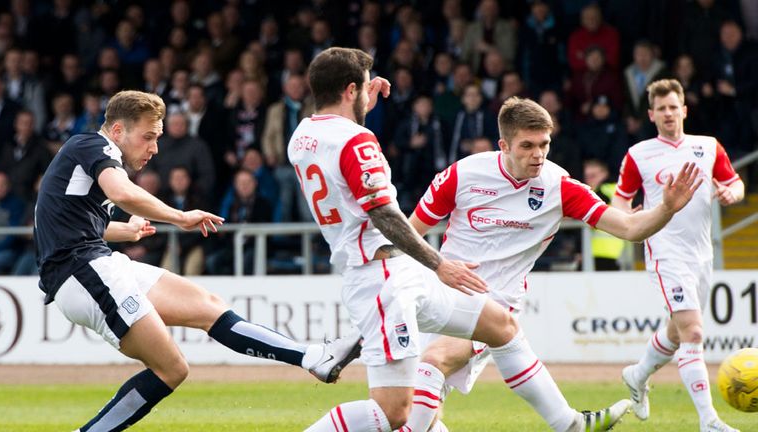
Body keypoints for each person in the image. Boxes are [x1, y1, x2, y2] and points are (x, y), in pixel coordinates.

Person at [291, 47, 590, 432]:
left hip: (390, 273)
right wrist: (439, 263)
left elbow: (340, 149)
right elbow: (382, 212)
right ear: (351, 90)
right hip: (382, 275)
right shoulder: (359, 142)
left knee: (500, 324)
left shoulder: (302, 136)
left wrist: (360, 99)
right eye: (365, 88)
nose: (371, 92)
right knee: (393, 413)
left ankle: (570, 424)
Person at [33, 90, 362, 432]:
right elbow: (122, 193)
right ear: (117, 131)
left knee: (208, 306)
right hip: (83, 273)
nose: (154, 148)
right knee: (172, 368)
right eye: (148, 137)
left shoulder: (85, 160)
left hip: (96, 264)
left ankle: (313, 357)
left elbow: (70, 223)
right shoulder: (93, 146)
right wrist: (178, 217)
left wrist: (124, 231)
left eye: (157, 138)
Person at [400, 96, 704, 432]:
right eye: (527, 146)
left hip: (495, 304)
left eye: (544, 144)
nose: (538, 154)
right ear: (503, 145)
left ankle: (570, 424)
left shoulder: (560, 187)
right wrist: (436, 267)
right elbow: (409, 233)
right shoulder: (462, 174)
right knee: (413, 403)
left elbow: (630, 228)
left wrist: (666, 209)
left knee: (433, 363)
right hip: (440, 298)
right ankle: (572, 425)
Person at [613, 79, 744, 432]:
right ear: (651, 114)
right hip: (665, 252)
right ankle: (709, 421)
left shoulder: (708, 146)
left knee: (675, 332)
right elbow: (621, 200)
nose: (669, 114)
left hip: (701, 253)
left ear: (684, 110)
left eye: (674, 107)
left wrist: (732, 192)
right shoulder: (638, 154)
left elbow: (735, 182)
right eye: (662, 109)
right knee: (694, 332)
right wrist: (628, 218)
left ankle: (637, 375)